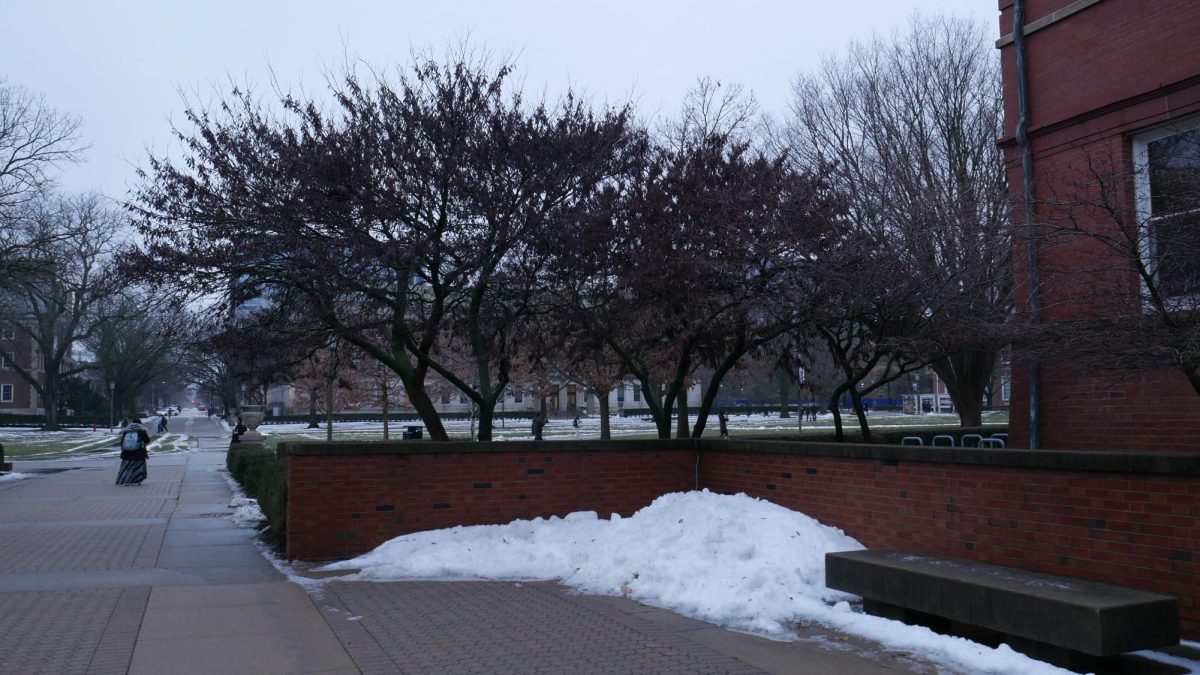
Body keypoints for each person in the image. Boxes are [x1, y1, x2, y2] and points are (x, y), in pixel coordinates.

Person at [116, 418, 151, 486]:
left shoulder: (127, 431)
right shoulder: (141, 431)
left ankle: (125, 480)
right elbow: (147, 440)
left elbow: (122, 442)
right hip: (139, 453)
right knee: (139, 467)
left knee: (127, 467)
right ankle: (137, 480)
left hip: (127, 453)